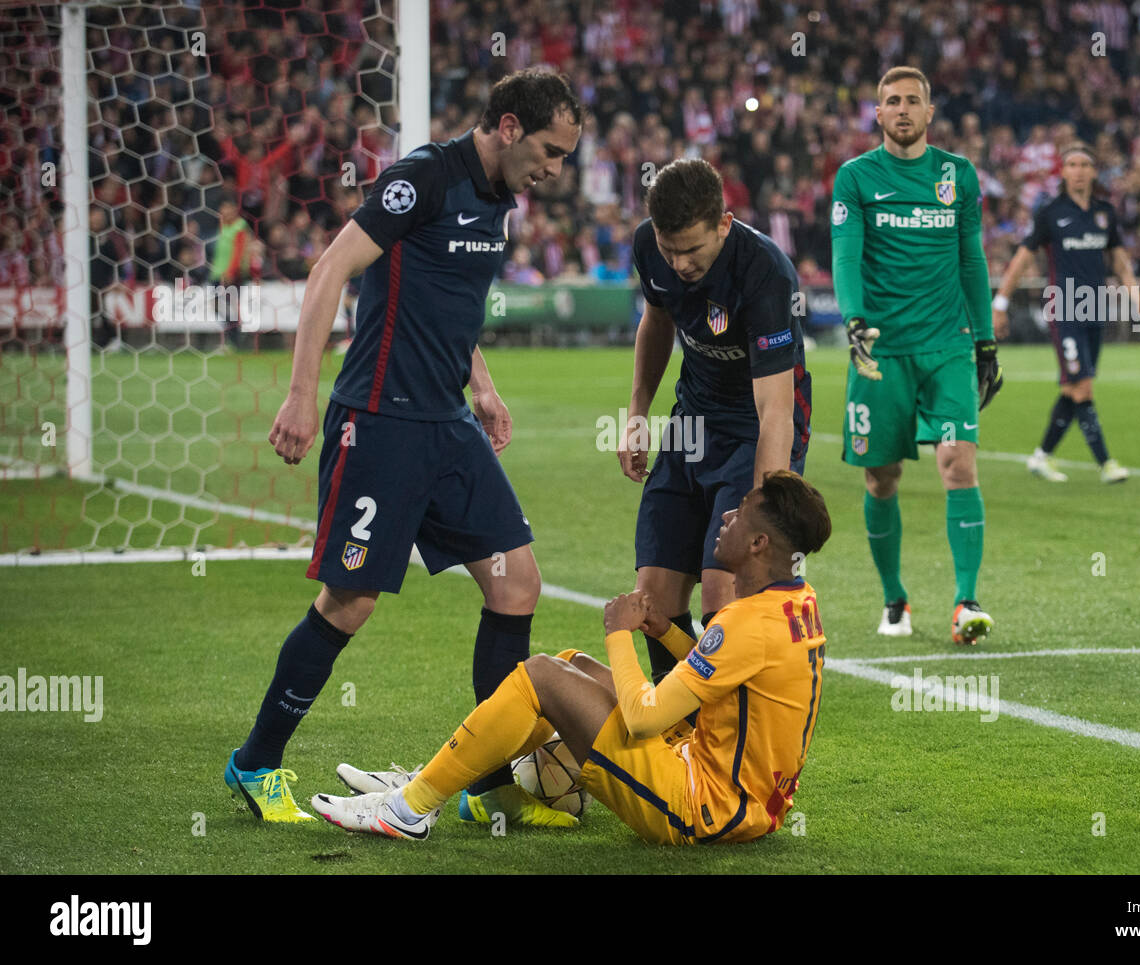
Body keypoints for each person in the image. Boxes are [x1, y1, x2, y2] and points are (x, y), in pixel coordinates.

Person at [223, 69, 583, 824]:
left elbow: (451, 301)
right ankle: (255, 764)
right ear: (511, 126)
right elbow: (330, 272)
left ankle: (487, 790)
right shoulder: (422, 179)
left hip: (447, 424)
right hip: (379, 422)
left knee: (517, 583)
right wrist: (300, 391)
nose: (557, 169)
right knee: (349, 601)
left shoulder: (500, 202)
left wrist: (480, 381)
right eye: (551, 150)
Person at [311, 470, 831, 846]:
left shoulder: (744, 621)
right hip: (745, 798)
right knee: (570, 663)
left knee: (541, 673)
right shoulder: (793, 602)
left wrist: (621, 634)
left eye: (740, 512)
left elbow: (645, 717)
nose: (728, 516)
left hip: (704, 807)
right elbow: (729, 679)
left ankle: (409, 810)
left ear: (760, 543)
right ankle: (433, 780)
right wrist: (665, 632)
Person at [618, 158, 812, 686]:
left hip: (755, 428)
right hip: (692, 421)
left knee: (724, 591)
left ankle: (732, 728)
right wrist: (638, 412)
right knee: (652, 599)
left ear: (724, 223)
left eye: (693, 250)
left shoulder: (766, 273)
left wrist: (761, 510)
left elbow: (775, 407)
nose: (679, 263)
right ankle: (680, 729)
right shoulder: (646, 247)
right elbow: (656, 321)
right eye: (669, 248)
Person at [831, 67, 1001, 644]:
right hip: (880, 352)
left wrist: (984, 338)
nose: (902, 109)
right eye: (891, 101)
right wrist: (853, 320)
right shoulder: (855, 179)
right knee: (882, 478)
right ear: (877, 115)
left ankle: (965, 602)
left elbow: (972, 261)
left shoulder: (959, 176)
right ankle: (894, 599)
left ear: (930, 113)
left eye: (913, 101)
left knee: (959, 461)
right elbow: (846, 256)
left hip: (947, 345)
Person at [993, 143, 1137, 484]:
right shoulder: (1051, 213)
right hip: (1066, 309)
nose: (1078, 170)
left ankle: (1041, 456)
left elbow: (1119, 260)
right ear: (1063, 171)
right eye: (1072, 164)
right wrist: (1000, 302)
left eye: (1085, 164)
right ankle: (1106, 464)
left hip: (1096, 308)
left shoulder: (1104, 213)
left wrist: (1138, 299)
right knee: (1083, 387)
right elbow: (1023, 258)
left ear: (1093, 171)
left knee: (1074, 389)